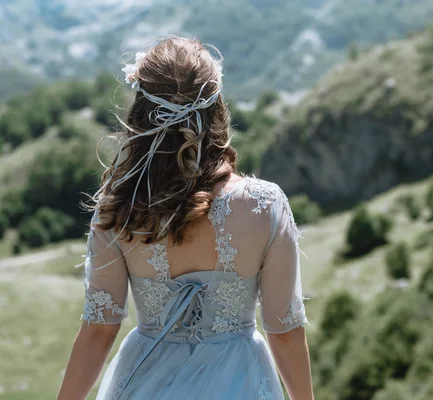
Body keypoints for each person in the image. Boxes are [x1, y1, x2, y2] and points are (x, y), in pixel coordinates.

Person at [57, 37, 313, 400]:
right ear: (217, 111)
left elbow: (100, 331)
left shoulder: (118, 210)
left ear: (141, 114)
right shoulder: (264, 205)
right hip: (237, 382)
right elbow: (284, 331)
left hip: (145, 382)